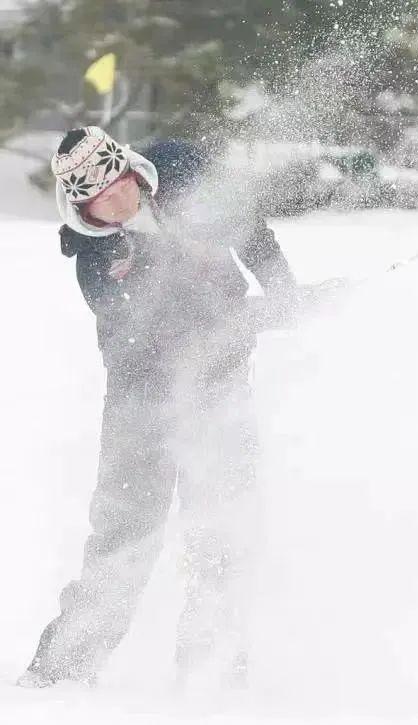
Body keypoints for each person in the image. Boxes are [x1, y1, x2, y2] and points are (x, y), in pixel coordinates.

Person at [17, 126, 299, 688]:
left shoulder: (182, 169)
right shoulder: (97, 260)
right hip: (140, 401)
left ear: (130, 169)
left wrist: (283, 294)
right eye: (103, 199)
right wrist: (246, 318)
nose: (119, 200)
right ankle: (62, 672)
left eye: (122, 184)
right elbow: (151, 337)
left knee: (224, 527)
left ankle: (212, 673)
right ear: (83, 205)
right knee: (123, 534)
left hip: (221, 391)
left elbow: (248, 230)